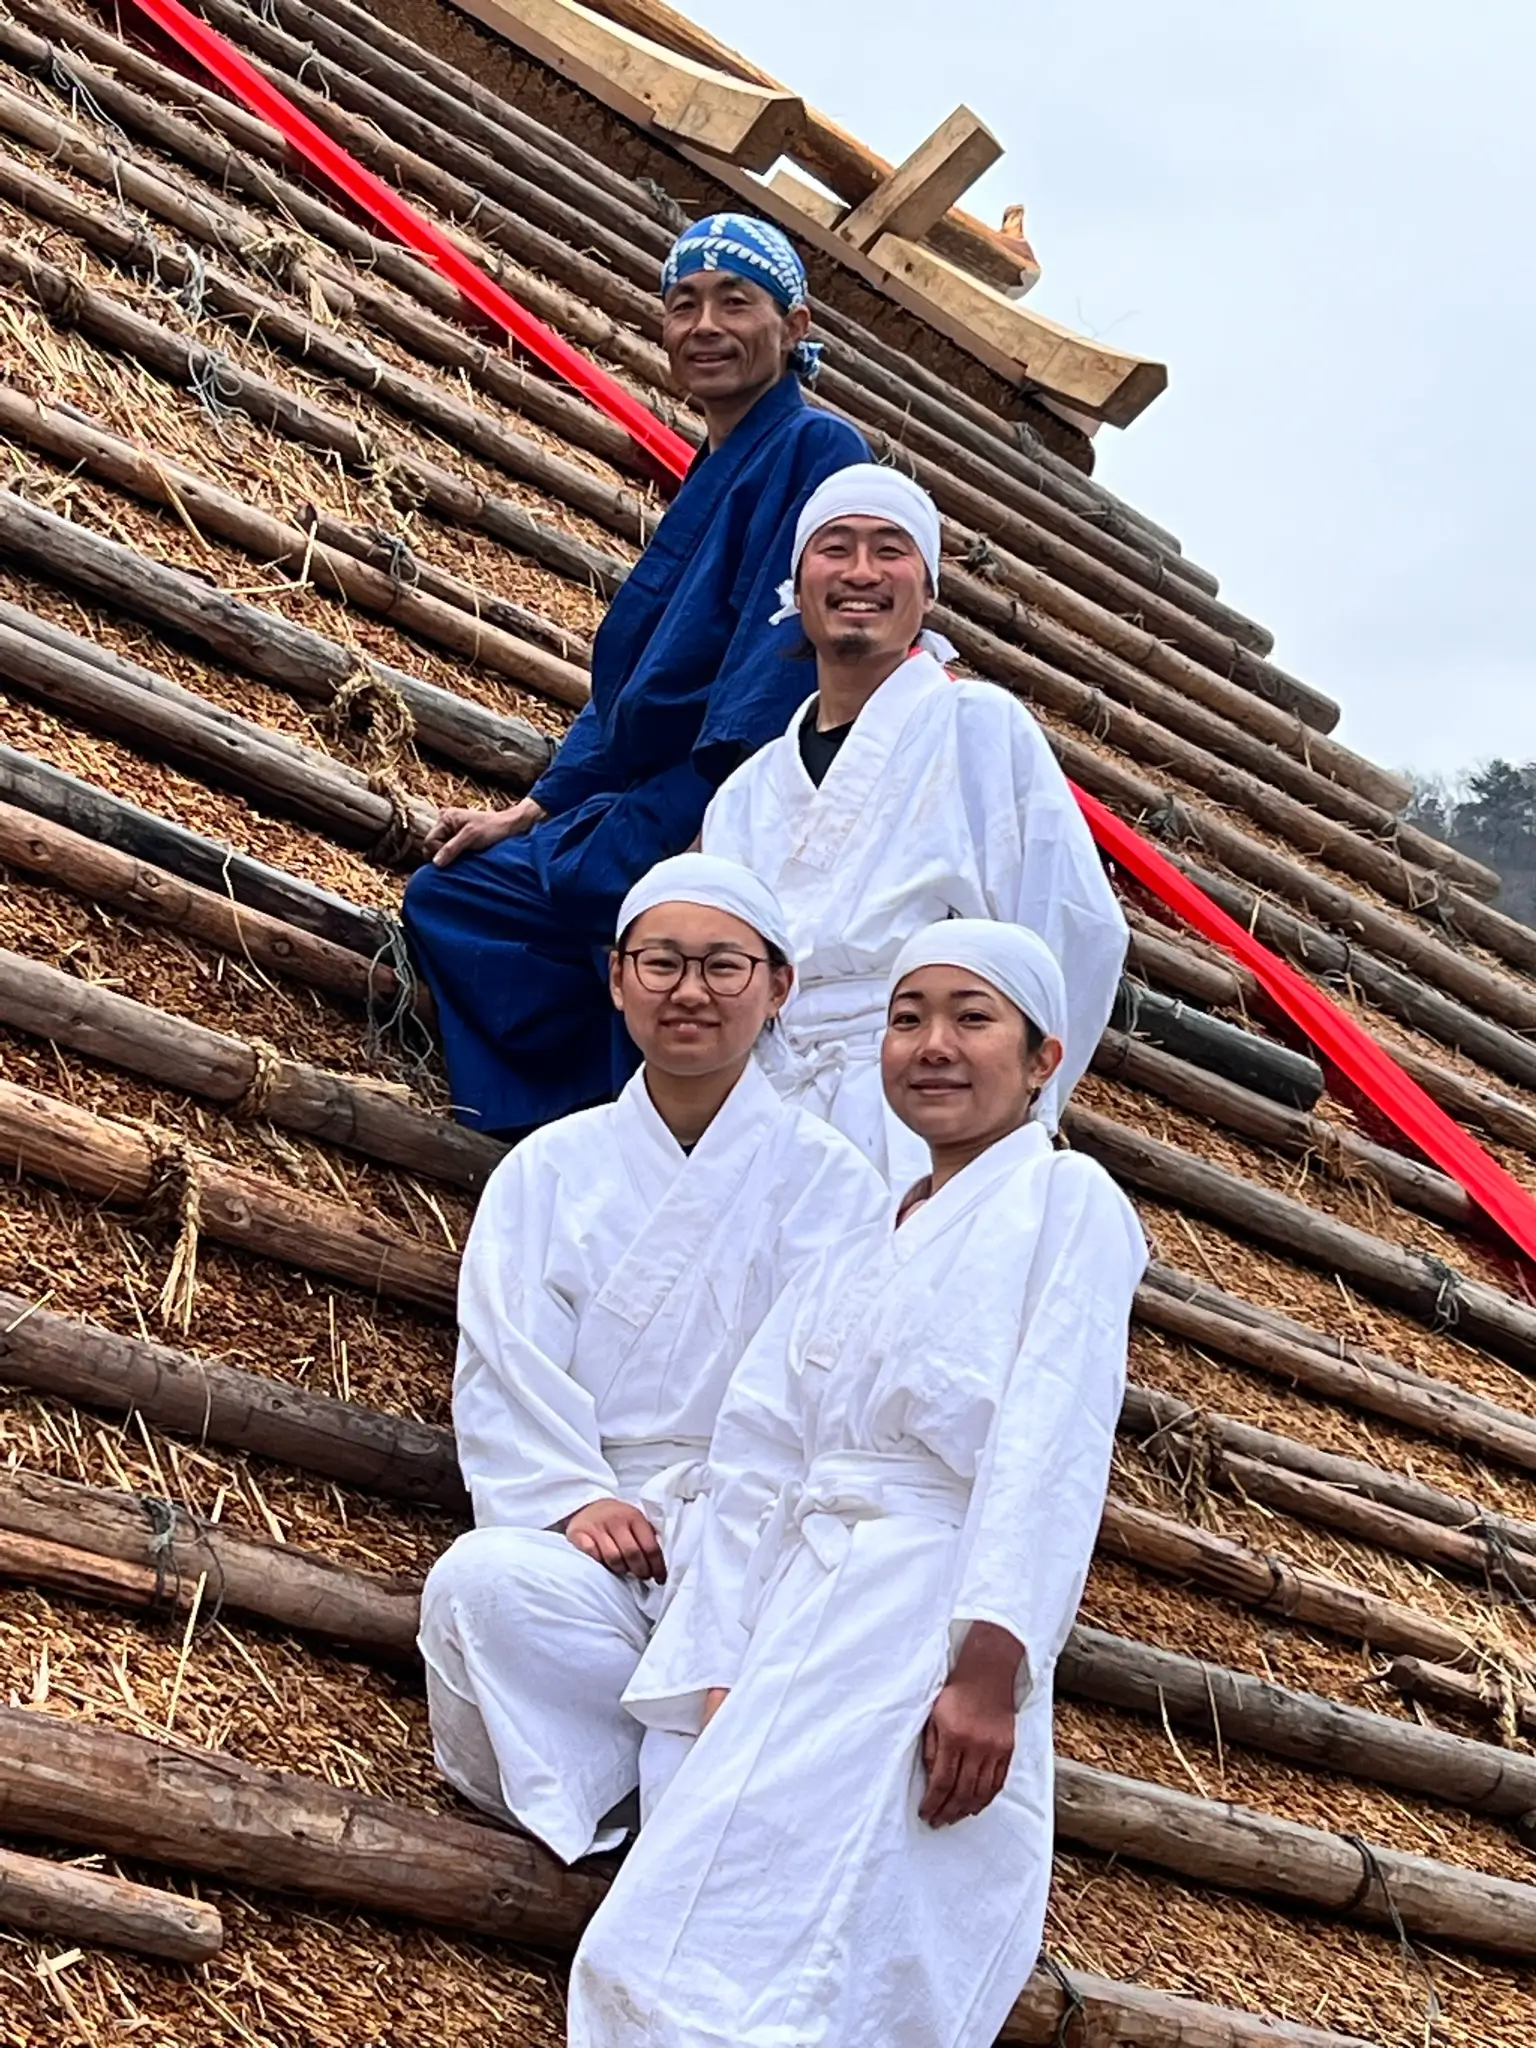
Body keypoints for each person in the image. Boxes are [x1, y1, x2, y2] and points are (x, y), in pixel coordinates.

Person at [566, 919, 1146, 2048]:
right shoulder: (859, 1240)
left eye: (972, 1017)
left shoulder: (1066, 1204)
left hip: (926, 1608)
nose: (933, 1043)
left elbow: (1050, 1435)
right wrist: (723, 1653)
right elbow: (759, 1452)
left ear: (1042, 1058)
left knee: (855, 1927)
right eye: (906, 1015)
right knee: (665, 1933)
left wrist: (990, 1666)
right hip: (798, 1610)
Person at [417, 854, 888, 1865]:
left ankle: (707, 1790)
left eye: (723, 965)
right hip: (599, 1531)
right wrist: (571, 1494)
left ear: (776, 986)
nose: (690, 991)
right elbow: (505, 1359)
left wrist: (747, 1535)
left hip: (761, 1533)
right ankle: (629, 1805)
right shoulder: (548, 1167)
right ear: (617, 976)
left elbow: (834, 1388)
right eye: (662, 962)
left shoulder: (837, 1184)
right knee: (483, 1587)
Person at [402, 216, 870, 1136]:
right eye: (684, 305)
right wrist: (533, 807)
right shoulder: (712, 465)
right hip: (640, 781)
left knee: (651, 925)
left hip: (716, 782)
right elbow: (630, 689)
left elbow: (782, 651)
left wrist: (723, 814)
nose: (706, 325)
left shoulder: (819, 451)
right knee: (454, 895)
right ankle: (581, 1119)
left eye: (737, 302)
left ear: (796, 324)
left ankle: (655, 1130)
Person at [700, 462, 1127, 1183]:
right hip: (767, 1109)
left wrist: (1015, 1116)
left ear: (927, 588)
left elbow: (1072, 926)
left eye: (890, 549)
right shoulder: (743, 795)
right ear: (797, 587)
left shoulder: (978, 726)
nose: (860, 571)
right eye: (835, 548)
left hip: (925, 1108)